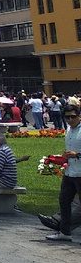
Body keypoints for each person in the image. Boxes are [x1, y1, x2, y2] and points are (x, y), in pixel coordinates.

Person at [46, 102, 81, 242]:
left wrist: (76, 154)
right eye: (67, 117)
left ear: (79, 116)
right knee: (64, 201)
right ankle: (65, 232)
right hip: (70, 171)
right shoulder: (68, 130)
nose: (70, 120)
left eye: (73, 117)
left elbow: (75, 152)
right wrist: (62, 157)